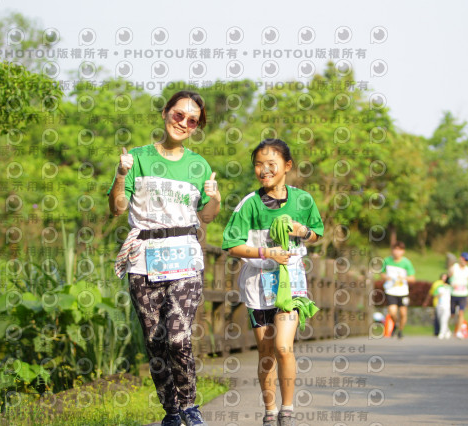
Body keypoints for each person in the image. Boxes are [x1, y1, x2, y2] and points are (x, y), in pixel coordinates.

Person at [107, 90, 219, 426]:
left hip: (184, 256)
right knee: (156, 342)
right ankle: (170, 410)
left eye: (192, 120)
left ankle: (188, 405)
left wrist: (214, 198)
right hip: (143, 258)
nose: (184, 123)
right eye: (178, 115)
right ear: (165, 114)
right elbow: (117, 208)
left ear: (197, 127)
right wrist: (121, 174)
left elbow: (209, 216)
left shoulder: (199, 165)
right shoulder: (138, 157)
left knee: (177, 336)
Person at [222, 139, 324, 426]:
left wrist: (302, 231)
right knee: (266, 351)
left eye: (271, 164)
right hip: (257, 285)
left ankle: (288, 410)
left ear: (287, 166)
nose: (264, 170)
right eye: (258, 164)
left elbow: (316, 233)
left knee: (283, 346)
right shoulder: (249, 204)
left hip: (291, 282)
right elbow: (232, 245)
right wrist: (266, 252)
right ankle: (270, 410)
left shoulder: (303, 200)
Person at [380, 241, 416, 339]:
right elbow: (381, 273)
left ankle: (400, 330)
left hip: (402, 291)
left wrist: (403, 278)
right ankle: (395, 324)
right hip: (390, 290)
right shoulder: (387, 261)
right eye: (395, 249)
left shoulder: (406, 262)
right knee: (392, 312)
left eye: (399, 250)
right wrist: (387, 277)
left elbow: (412, 278)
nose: (396, 252)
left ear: (403, 251)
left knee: (403, 313)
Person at [449, 252, 468, 339]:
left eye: (467, 261)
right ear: (461, 258)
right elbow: (448, 278)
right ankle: (449, 329)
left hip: (463, 294)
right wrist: (451, 283)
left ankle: (458, 331)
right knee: (452, 314)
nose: (465, 262)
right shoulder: (454, 267)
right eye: (464, 259)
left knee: (461, 313)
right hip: (453, 293)